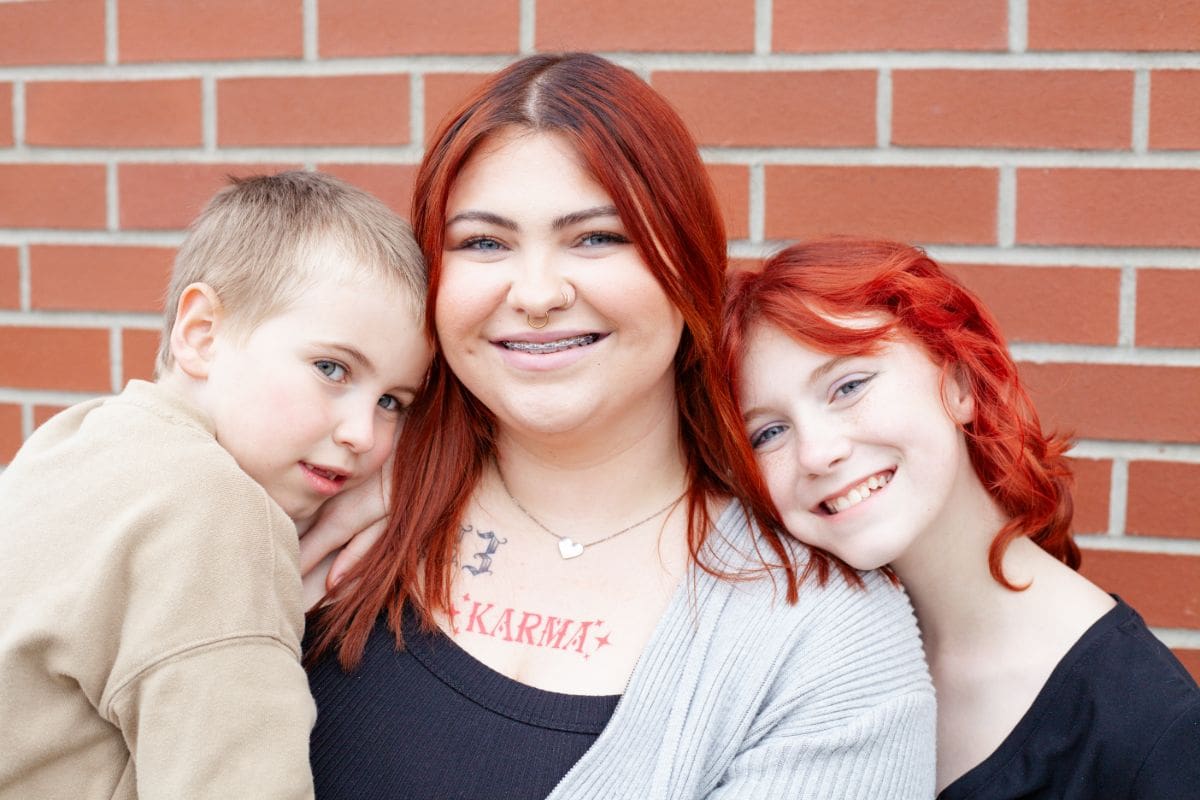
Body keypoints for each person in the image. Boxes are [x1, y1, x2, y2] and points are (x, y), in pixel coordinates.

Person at [302, 53, 935, 799]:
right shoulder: (325, 495)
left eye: (596, 237)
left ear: (687, 263)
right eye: (483, 243)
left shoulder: (826, 642)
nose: (535, 293)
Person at [0, 171, 431, 799]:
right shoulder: (216, 511)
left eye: (393, 401)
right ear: (202, 334)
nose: (364, 434)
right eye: (332, 369)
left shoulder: (77, 439)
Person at [723, 237, 1200, 799]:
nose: (816, 453)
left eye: (848, 387)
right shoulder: (809, 659)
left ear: (960, 383)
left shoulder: (1151, 730)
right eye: (769, 432)